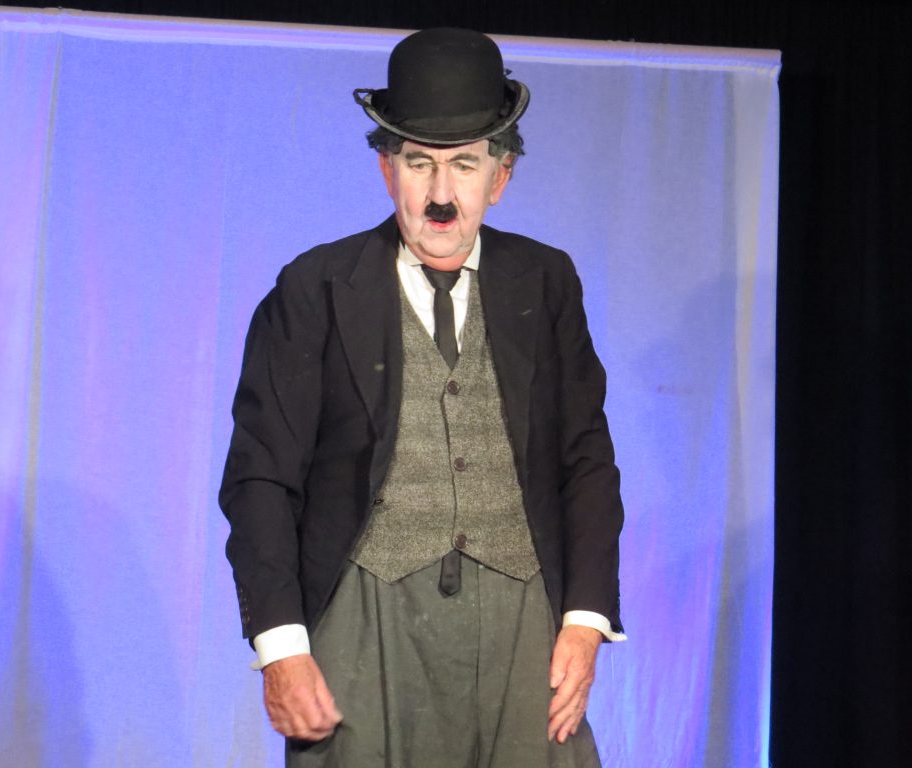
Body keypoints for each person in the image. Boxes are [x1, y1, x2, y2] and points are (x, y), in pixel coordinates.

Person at [219, 27, 625, 768]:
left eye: (464, 165)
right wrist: (282, 648)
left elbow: (586, 459)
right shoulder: (314, 288)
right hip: (363, 625)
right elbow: (260, 479)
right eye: (419, 164)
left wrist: (585, 620)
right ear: (386, 169)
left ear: (500, 177)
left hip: (522, 629)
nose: (441, 196)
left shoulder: (547, 283)